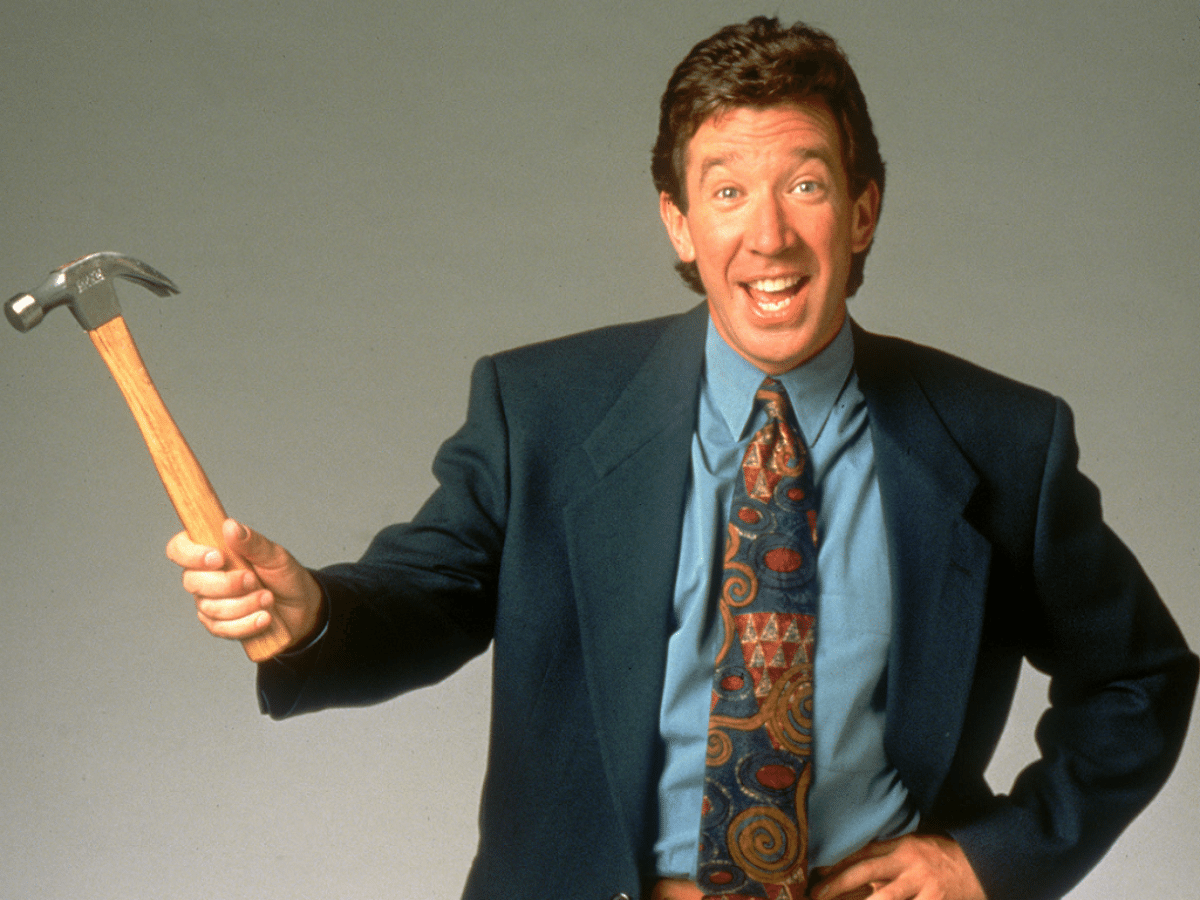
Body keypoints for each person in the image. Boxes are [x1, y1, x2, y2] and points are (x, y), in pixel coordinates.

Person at [167, 17, 1196, 900]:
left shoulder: (1002, 439)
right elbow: (425, 594)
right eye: (727, 191)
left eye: (805, 184)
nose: (770, 237)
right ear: (678, 221)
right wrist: (315, 611)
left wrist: (991, 861)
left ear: (863, 210)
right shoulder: (544, 412)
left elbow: (1138, 676)